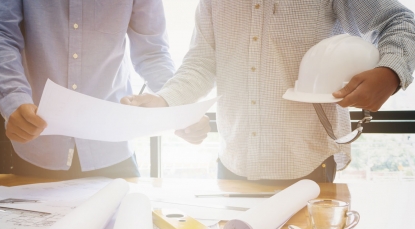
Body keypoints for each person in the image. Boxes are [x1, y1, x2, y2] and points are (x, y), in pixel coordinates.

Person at [122, 0, 415, 183]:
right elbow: (201, 63)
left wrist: (390, 72)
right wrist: (165, 101)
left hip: (306, 165)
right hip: (232, 164)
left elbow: (400, 21)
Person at [0, 0, 175, 179]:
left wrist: (176, 102)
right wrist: (13, 97)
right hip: (38, 147)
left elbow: (152, 52)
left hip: (112, 146)